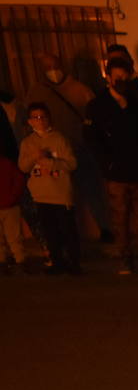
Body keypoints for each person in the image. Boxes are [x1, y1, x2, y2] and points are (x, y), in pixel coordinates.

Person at [85, 54, 138, 274]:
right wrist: (106, 165)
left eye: (124, 77)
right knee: (120, 218)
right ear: (109, 78)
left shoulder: (137, 103)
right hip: (116, 174)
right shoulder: (98, 105)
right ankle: (125, 258)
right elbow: (92, 139)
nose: (121, 81)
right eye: (117, 77)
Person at [24, 53, 105, 238]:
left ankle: (103, 227)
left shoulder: (79, 89)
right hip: (53, 152)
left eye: (54, 66)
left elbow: (94, 117)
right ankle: (69, 235)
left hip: (79, 147)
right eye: (48, 68)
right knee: (61, 196)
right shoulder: (37, 91)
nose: (52, 72)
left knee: (91, 190)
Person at [17, 103, 80, 274]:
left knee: (68, 230)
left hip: (61, 193)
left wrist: (51, 163)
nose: (40, 121)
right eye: (36, 118)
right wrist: (34, 157)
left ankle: (74, 263)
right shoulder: (27, 143)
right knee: (50, 231)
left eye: (43, 117)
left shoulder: (59, 138)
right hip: (40, 195)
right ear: (30, 121)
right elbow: (23, 167)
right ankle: (57, 262)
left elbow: (72, 163)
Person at [0, 150, 27, 273]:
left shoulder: (7, 164)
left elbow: (18, 181)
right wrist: (13, 198)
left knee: (14, 237)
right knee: (14, 237)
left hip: (10, 206)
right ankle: (18, 261)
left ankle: (16, 261)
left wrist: (13, 198)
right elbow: (19, 181)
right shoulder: (8, 163)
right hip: (10, 205)